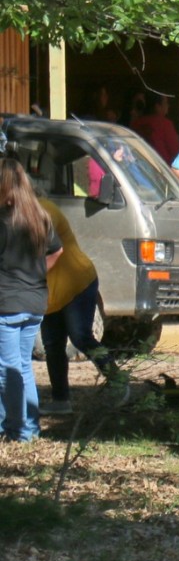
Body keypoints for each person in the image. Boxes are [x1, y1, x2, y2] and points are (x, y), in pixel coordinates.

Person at [1, 157, 62, 442]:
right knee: (23, 366)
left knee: (8, 369)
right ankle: (30, 427)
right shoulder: (40, 216)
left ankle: (18, 431)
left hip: (7, 304)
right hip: (35, 301)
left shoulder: (3, 220)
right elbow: (57, 251)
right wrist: (36, 273)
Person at [37, 199, 113, 416]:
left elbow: (50, 249)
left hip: (77, 283)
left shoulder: (43, 209)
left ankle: (118, 379)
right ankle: (60, 400)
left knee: (80, 337)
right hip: (53, 291)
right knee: (53, 345)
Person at [131, 92, 179, 163]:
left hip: (141, 165)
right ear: (157, 106)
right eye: (166, 103)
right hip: (160, 167)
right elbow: (175, 151)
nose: (168, 106)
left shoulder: (135, 123)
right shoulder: (165, 124)